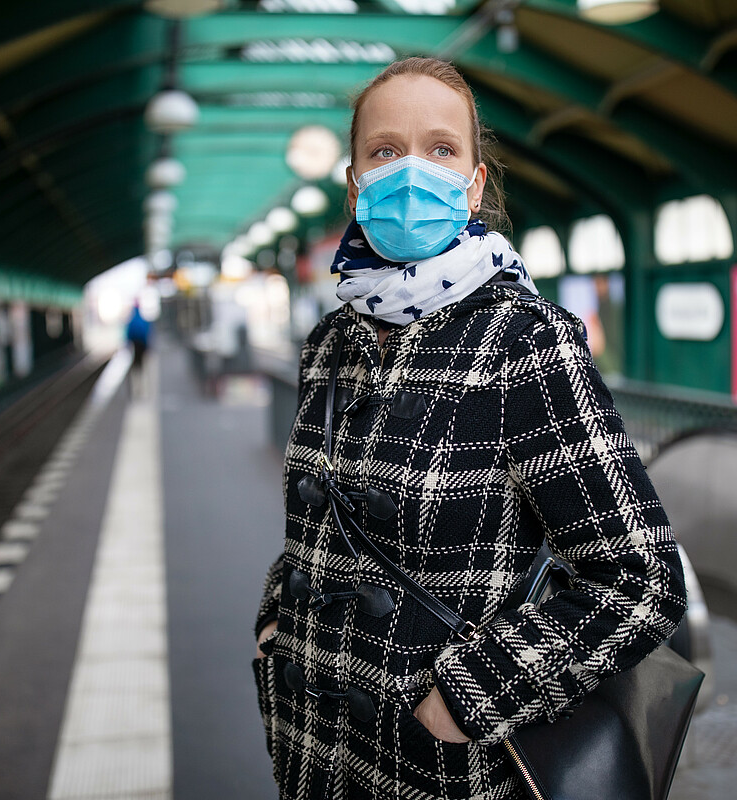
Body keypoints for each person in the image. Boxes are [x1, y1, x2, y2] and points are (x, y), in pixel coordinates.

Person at [253, 57, 686, 800]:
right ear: (356, 184)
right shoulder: (330, 342)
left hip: (436, 769)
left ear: (474, 185)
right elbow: (314, 530)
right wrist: (274, 623)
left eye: (441, 149)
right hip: (311, 744)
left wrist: (468, 697)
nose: (412, 170)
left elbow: (641, 582)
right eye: (386, 151)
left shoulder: (523, 341)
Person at [125, 301, 151, 397]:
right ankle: (143, 389)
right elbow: (146, 333)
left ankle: (135, 390)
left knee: (135, 368)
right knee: (142, 367)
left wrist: (128, 345)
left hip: (134, 346)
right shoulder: (143, 320)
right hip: (142, 346)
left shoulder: (131, 320)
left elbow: (128, 335)